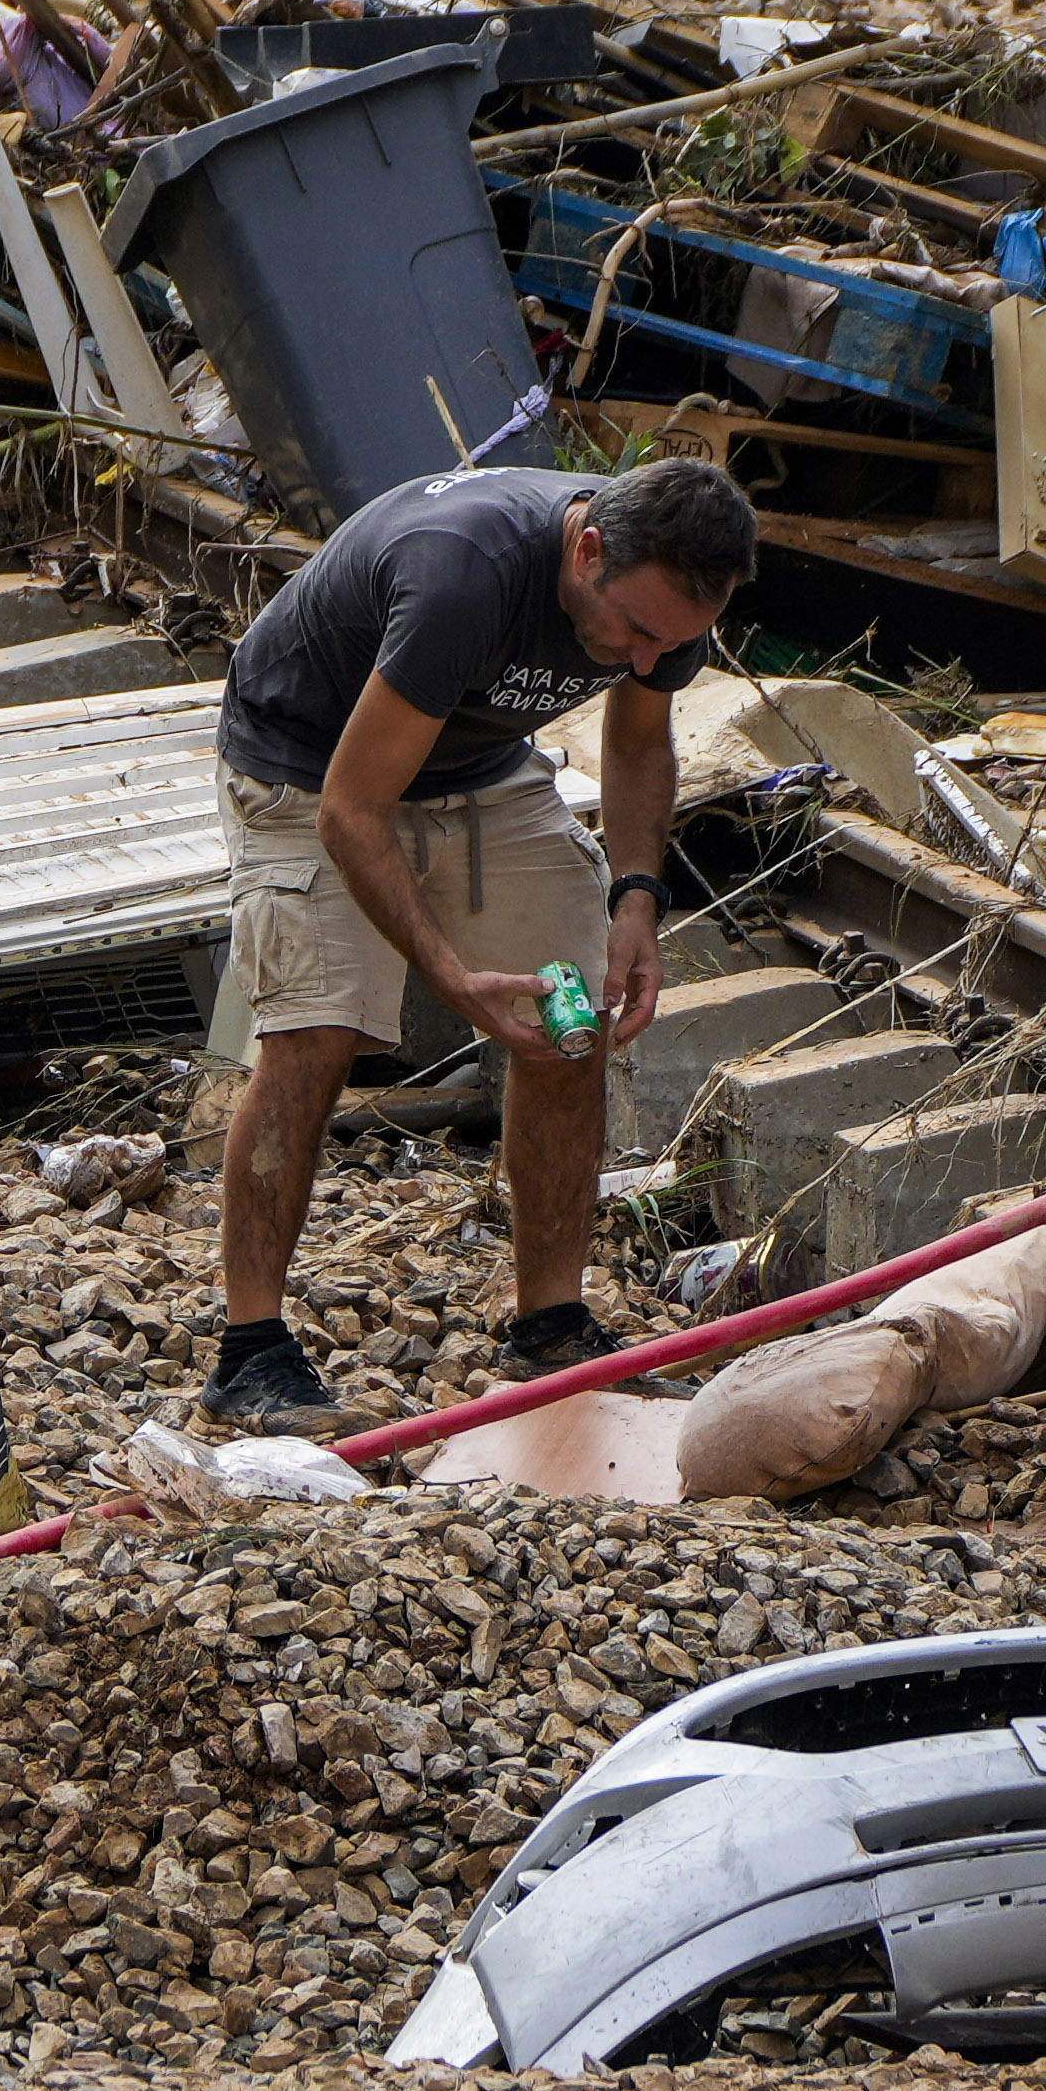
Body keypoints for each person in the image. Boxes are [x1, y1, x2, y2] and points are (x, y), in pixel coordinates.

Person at [199, 456, 756, 1432]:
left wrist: (636, 898)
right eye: (631, 629)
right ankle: (248, 1352)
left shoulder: (663, 611)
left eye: (669, 643)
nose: (641, 660)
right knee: (315, 1031)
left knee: (571, 1015)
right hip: (305, 760)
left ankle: (550, 1320)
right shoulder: (462, 572)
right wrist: (449, 978)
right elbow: (351, 806)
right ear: (587, 549)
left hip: (476, 762)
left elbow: (634, 742)